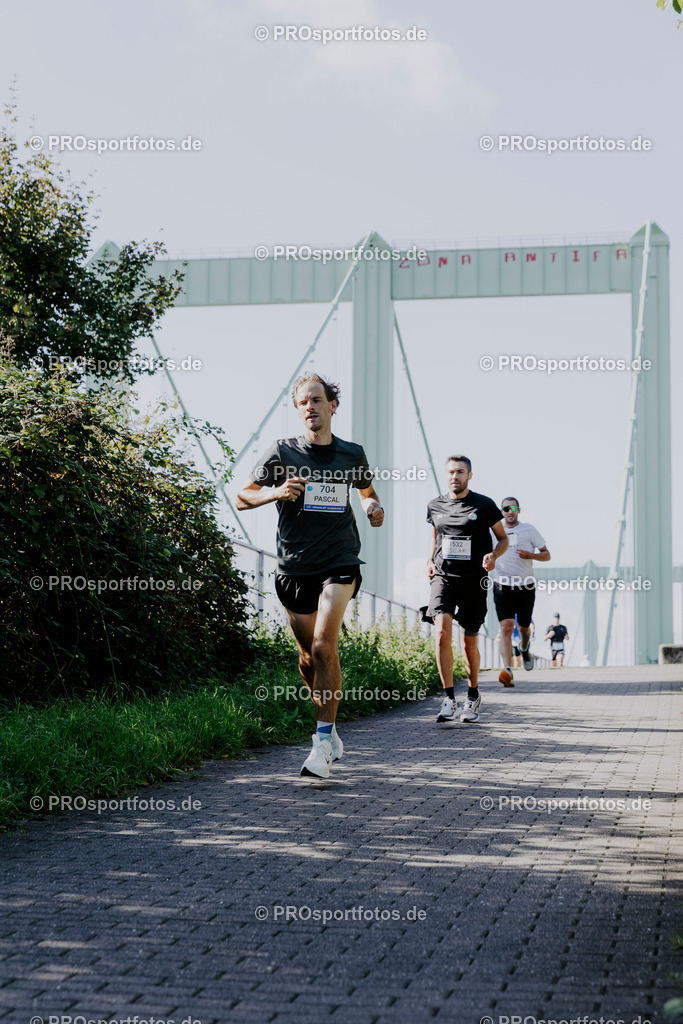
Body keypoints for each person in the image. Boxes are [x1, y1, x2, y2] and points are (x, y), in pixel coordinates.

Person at [236, 373, 384, 779]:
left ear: (332, 405)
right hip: (294, 568)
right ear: (298, 408)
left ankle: (320, 747)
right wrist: (275, 492)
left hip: (339, 561)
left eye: (317, 399)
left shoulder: (351, 454)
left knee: (322, 646)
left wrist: (373, 509)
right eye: (303, 402)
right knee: (307, 659)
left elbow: (367, 492)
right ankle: (330, 730)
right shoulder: (281, 452)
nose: (310, 407)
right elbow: (242, 496)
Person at [423, 456, 508, 725]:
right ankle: (448, 698)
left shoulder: (484, 505)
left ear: (470, 475)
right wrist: (429, 560)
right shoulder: (434, 505)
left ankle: (472, 696)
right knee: (440, 632)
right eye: (451, 472)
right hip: (444, 577)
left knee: (468, 640)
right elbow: (436, 536)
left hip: (474, 579)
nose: (455, 476)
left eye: (460, 472)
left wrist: (493, 556)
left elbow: (503, 538)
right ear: (445, 475)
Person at [492, 497, 550, 687]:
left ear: (519, 510)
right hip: (502, 585)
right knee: (506, 627)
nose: (510, 511)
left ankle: (524, 648)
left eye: (513, 508)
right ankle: (507, 670)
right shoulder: (494, 531)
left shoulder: (529, 530)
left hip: (525, 586)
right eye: (506, 508)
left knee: (525, 628)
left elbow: (546, 554)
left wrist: (530, 555)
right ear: (501, 511)